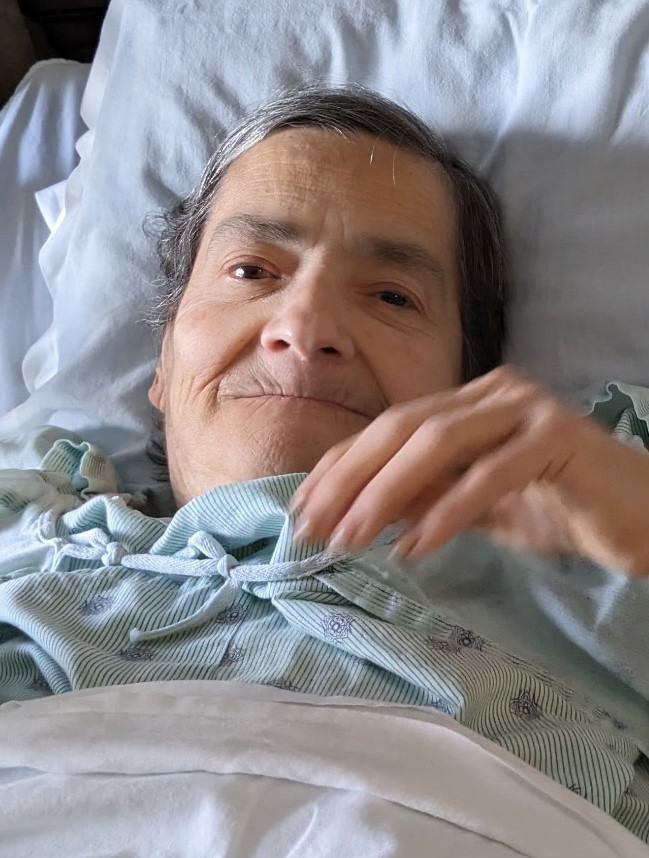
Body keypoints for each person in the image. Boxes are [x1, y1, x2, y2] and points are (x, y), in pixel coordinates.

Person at [0, 86, 647, 841]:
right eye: (252, 271)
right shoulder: (25, 526)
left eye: (392, 297)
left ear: (464, 383)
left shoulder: (600, 537)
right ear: (163, 363)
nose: (305, 326)